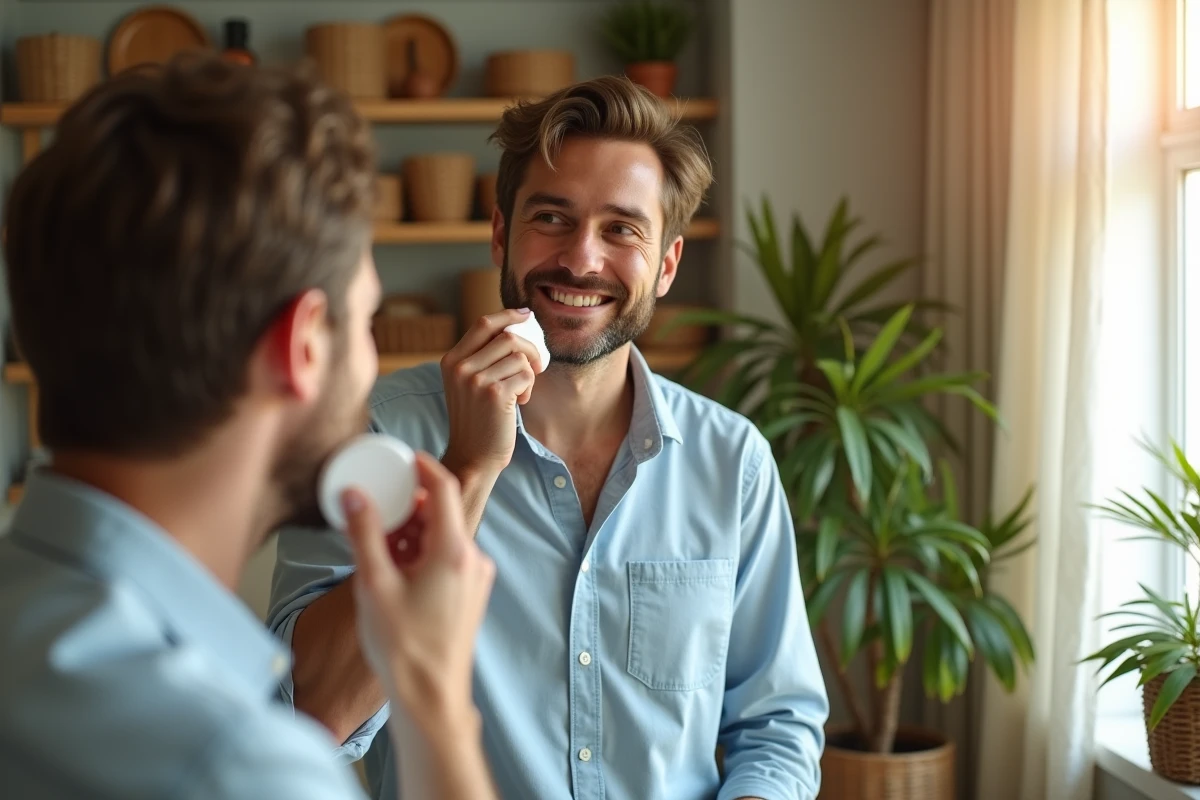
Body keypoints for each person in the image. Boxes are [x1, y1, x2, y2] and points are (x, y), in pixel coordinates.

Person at [269, 76, 830, 800]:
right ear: (501, 234)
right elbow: (310, 718)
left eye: (621, 229)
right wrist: (467, 471)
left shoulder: (733, 461)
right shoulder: (376, 432)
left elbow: (776, 725)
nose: (581, 259)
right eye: (552, 217)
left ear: (666, 265)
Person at [0, 54, 498, 799]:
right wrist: (433, 692)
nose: (369, 361)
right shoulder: (239, 766)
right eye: (364, 321)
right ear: (303, 347)